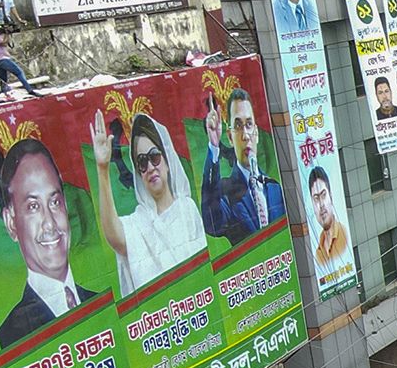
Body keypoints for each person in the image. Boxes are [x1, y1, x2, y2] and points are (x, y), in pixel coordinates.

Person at [0, 138, 102, 348]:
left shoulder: (100, 303)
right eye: (33, 207)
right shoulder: (11, 336)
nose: (49, 224)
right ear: (11, 223)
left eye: (55, 202)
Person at [90, 111, 206, 295]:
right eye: (142, 162)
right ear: (139, 173)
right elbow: (114, 236)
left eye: (155, 157)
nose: (150, 167)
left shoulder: (187, 209)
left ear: (167, 161)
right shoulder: (137, 225)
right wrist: (102, 169)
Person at [201, 89, 284, 245]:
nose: (245, 135)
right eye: (238, 126)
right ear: (230, 137)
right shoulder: (225, 193)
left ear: (256, 134)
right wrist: (214, 145)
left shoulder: (274, 189)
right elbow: (212, 223)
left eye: (249, 125)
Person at [305, 166, 351, 278]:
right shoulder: (318, 253)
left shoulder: (344, 235)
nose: (321, 205)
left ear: (331, 196)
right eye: (316, 198)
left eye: (323, 195)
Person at [0, 20, 40, 97]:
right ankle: (29, 90)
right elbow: (4, 43)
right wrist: (7, 34)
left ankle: (4, 93)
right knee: (19, 72)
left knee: (3, 78)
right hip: (1, 58)